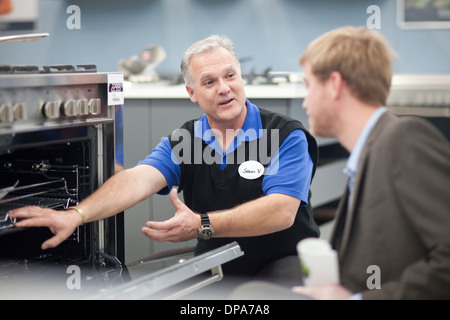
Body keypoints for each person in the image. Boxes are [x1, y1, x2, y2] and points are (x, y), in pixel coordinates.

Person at [9, 35, 319, 281]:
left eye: (230, 76)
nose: (224, 89)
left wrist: (202, 224)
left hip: (284, 263)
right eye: (209, 82)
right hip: (217, 264)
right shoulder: (186, 140)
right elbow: (137, 179)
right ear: (192, 93)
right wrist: (76, 214)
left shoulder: (284, 134)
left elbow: (281, 211)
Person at [233, 26, 450, 300]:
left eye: (309, 86)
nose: (305, 101)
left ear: (334, 84)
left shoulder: (402, 138)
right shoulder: (366, 158)